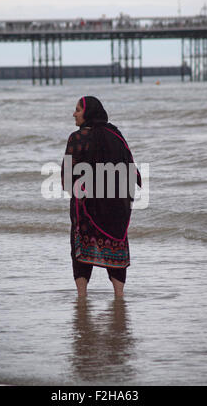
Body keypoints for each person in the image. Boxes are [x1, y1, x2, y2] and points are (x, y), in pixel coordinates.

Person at [61, 96, 141, 297]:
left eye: (77, 110)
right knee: (115, 245)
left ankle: (82, 297)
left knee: (81, 251)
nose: (74, 114)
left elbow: (67, 177)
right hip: (117, 206)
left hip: (86, 208)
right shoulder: (116, 136)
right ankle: (119, 297)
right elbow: (132, 170)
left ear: (87, 113)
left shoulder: (77, 138)